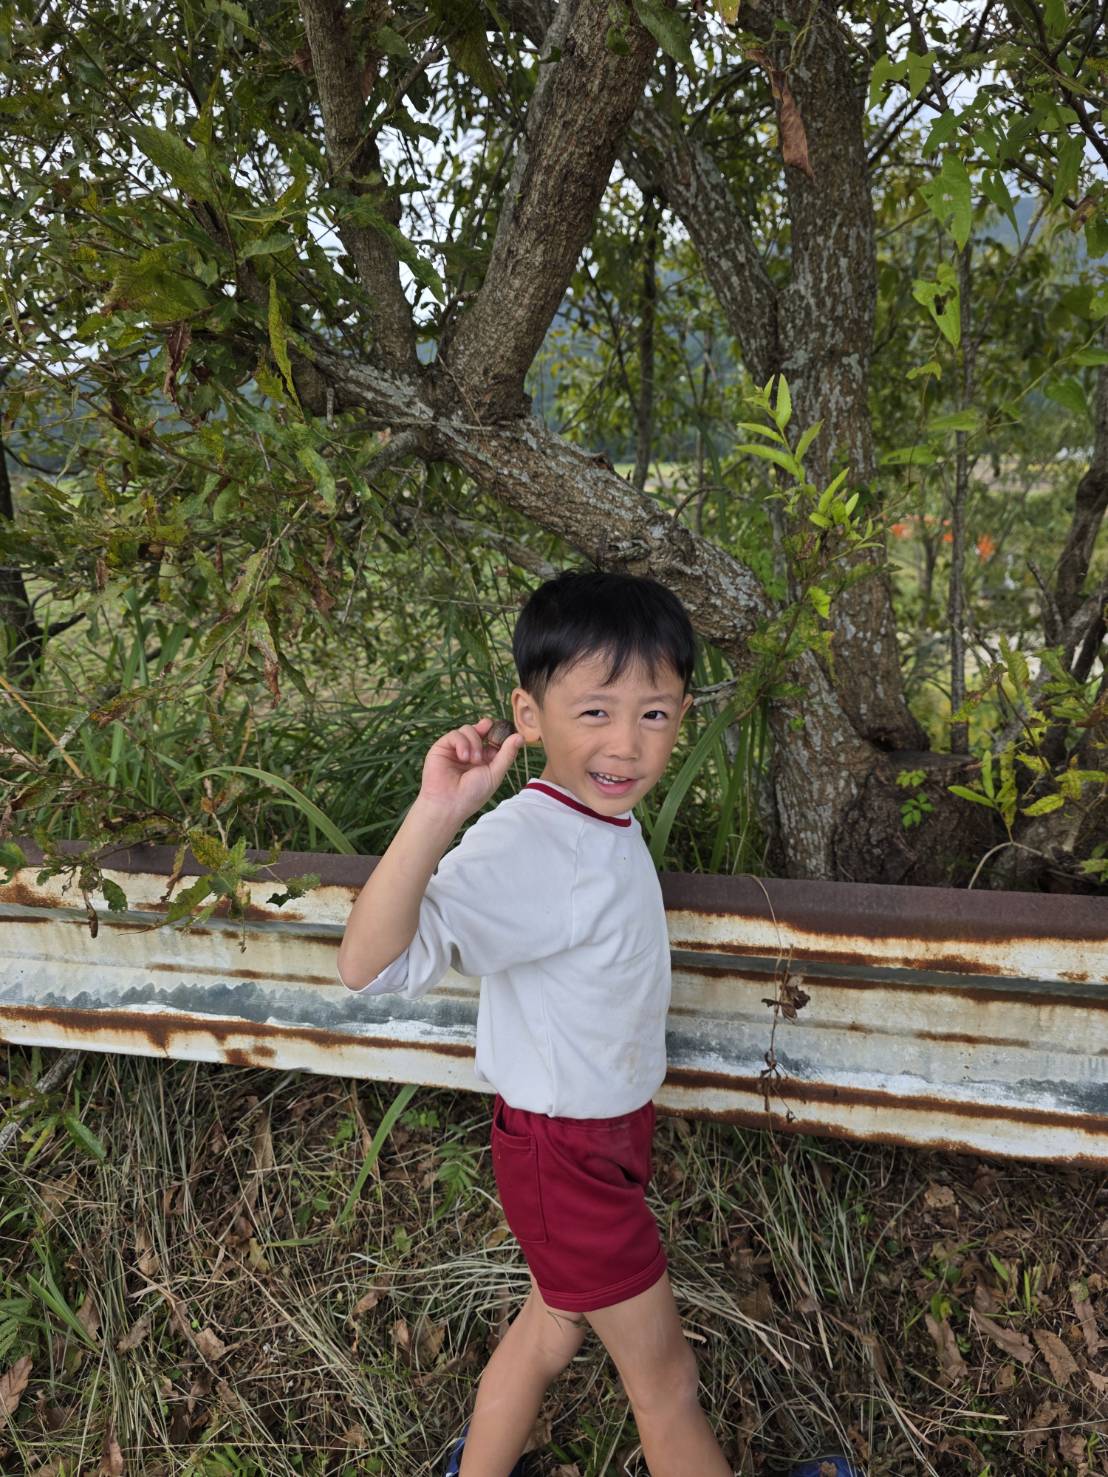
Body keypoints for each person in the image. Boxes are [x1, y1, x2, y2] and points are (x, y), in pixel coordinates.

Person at [336, 569, 857, 1477]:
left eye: (653, 714)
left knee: (551, 1326)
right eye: (594, 713)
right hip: (565, 1158)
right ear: (529, 715)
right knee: (666, 1381)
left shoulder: (593, 821)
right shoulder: (528, 843)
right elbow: (370, 965)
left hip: (586, 1142)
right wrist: (439, 810)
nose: (626, 743)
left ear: (682, 714)